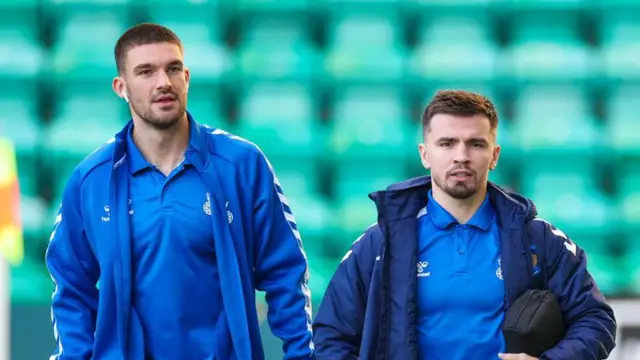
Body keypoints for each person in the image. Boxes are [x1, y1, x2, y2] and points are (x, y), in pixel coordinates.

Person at [45, 23, 314, 360]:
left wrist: (302, 355)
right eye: (146, 72)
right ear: (121, 87)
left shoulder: (242, 164)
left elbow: (286, 273)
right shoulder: (92, 180)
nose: (163, 82)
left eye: (173, 69)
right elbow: (71, 288)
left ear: (186, 77)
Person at [312, 90, 617, 360]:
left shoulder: (539, 239)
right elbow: (331, 336)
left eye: (475, 144)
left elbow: (595, 319)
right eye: (447, 143)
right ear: (425, 154)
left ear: (494, 155)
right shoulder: (381, 243)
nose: (461, 156)